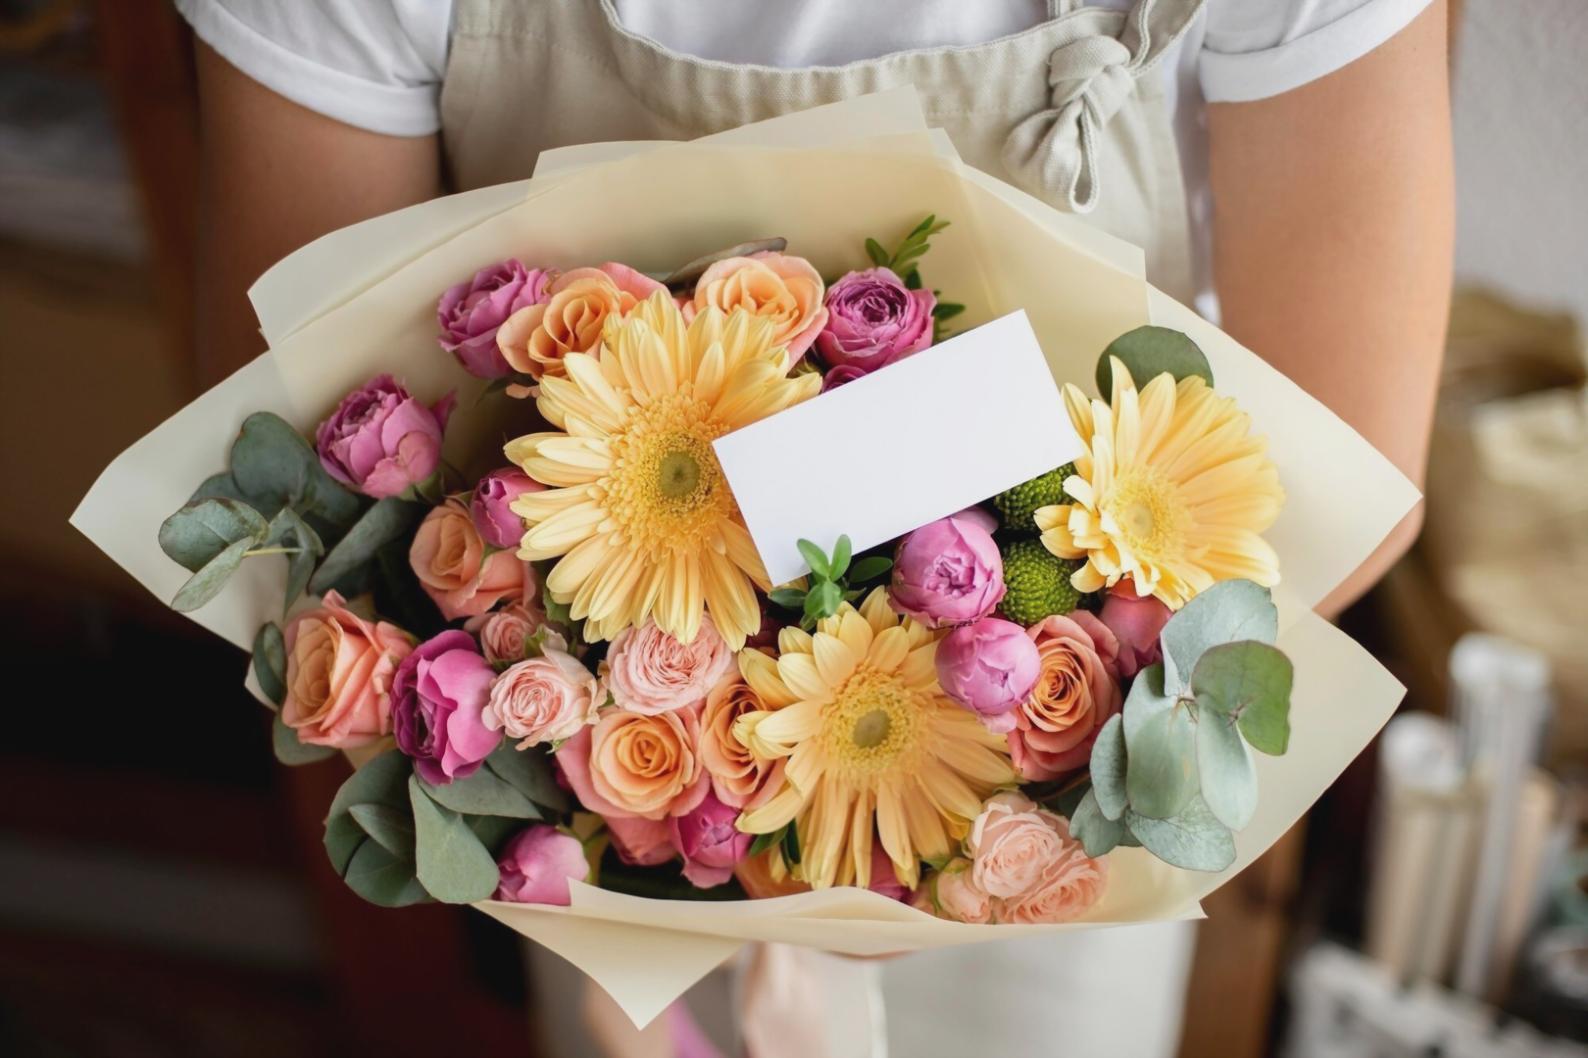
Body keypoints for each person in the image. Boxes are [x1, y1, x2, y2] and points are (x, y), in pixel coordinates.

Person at [179, 1, 1452, 1054]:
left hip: (1054, 831)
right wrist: (666, 800)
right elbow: (332, 442)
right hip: (621, 825)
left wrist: (978, 833)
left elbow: (1341, 476)